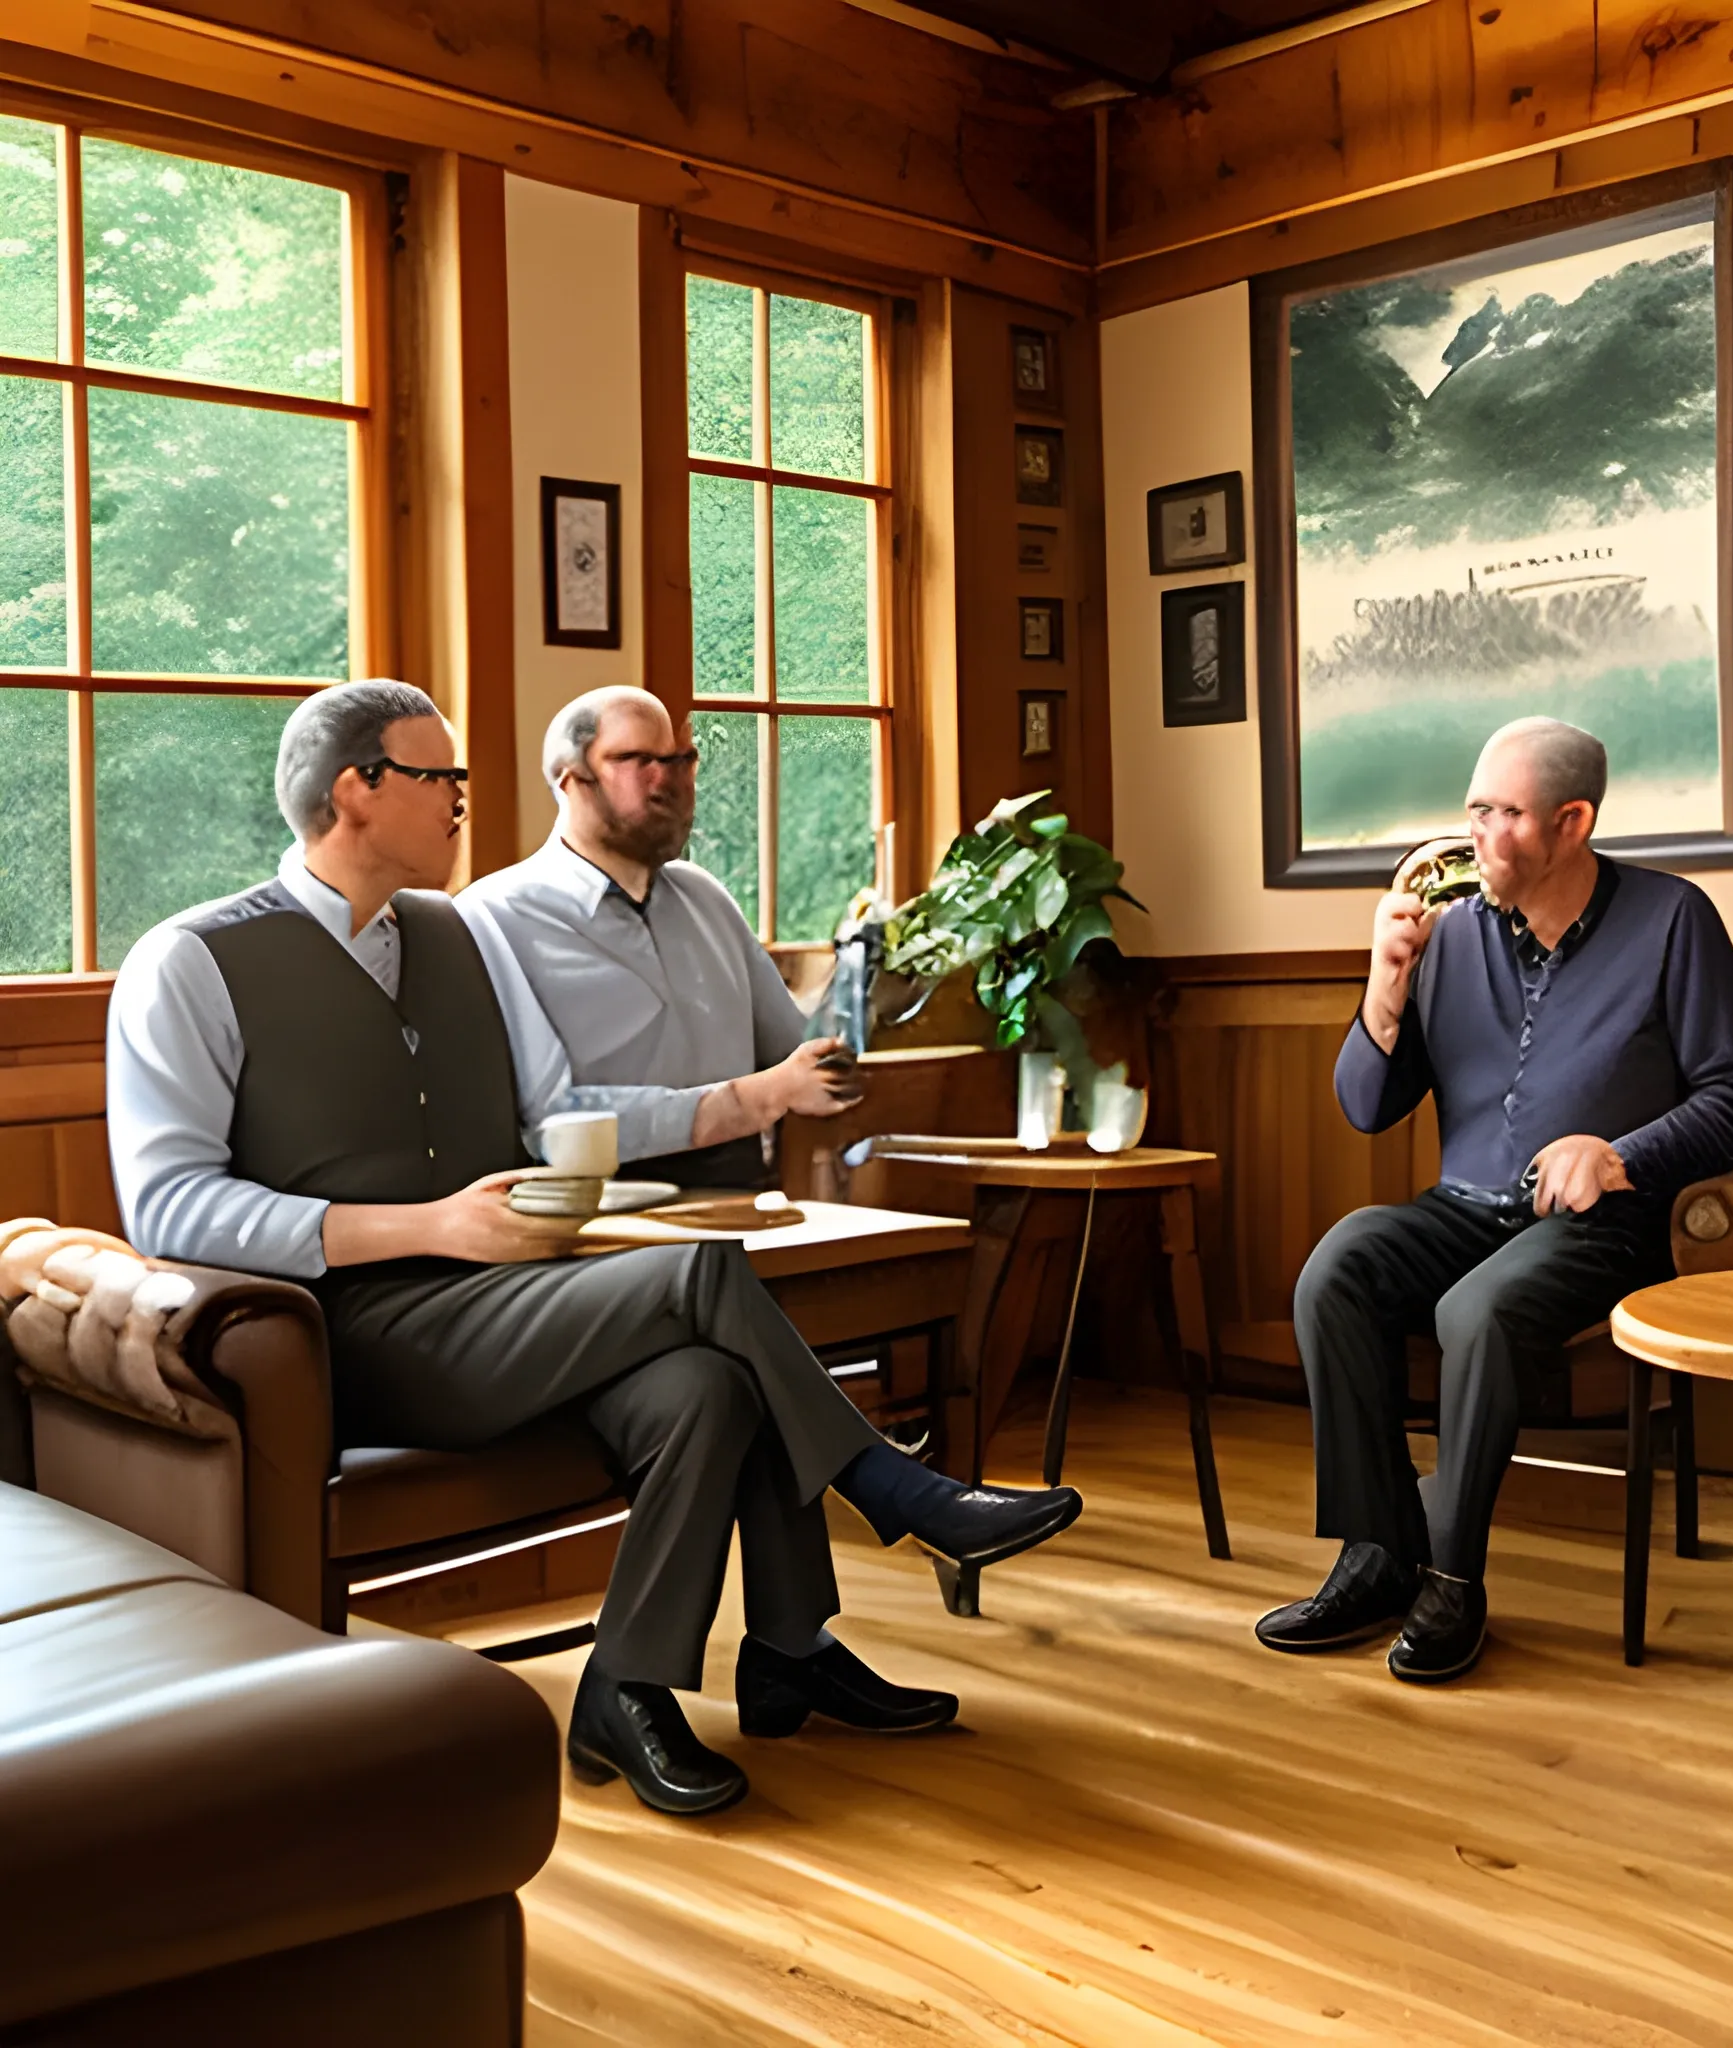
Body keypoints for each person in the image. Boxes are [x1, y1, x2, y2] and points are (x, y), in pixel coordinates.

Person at [105, 680, 1081, 1822]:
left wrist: (574, 1201)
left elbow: (546, 1114)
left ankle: (634, 1686)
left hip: (508, 1295)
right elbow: (167, 1206)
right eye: (442, 779)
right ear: (355, 791)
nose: (467, 799)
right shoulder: (192, 961)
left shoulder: (456, 932)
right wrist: (427, 1227)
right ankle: (890, 1485)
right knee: (705, 1275)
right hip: (350, 1334)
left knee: (707, 1385)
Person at [1257, 717, 1733, 1682]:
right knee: (1340, 1264)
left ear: (1572, 822)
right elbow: (1368, 1107)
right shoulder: (1447, 932)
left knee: (1478, 1308)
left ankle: (1453, 1579)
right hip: (1463, 1208)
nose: (1476, 835)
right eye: (1474, 810)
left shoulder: (1673, 919)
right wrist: (1385, 981)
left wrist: (1618, 1153)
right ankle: (1376, 1555)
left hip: (1603, 1225)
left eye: (1504, 814)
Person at [457, 685, 854, 1193]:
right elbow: (547, 1121)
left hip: (750, 1196)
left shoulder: (705, 897)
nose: (668, 780)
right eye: (637, 759)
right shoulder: (494, 915)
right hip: (594, 1212)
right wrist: (756, 1099)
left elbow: (796, 1057)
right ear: (571, 780)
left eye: (681, 759)